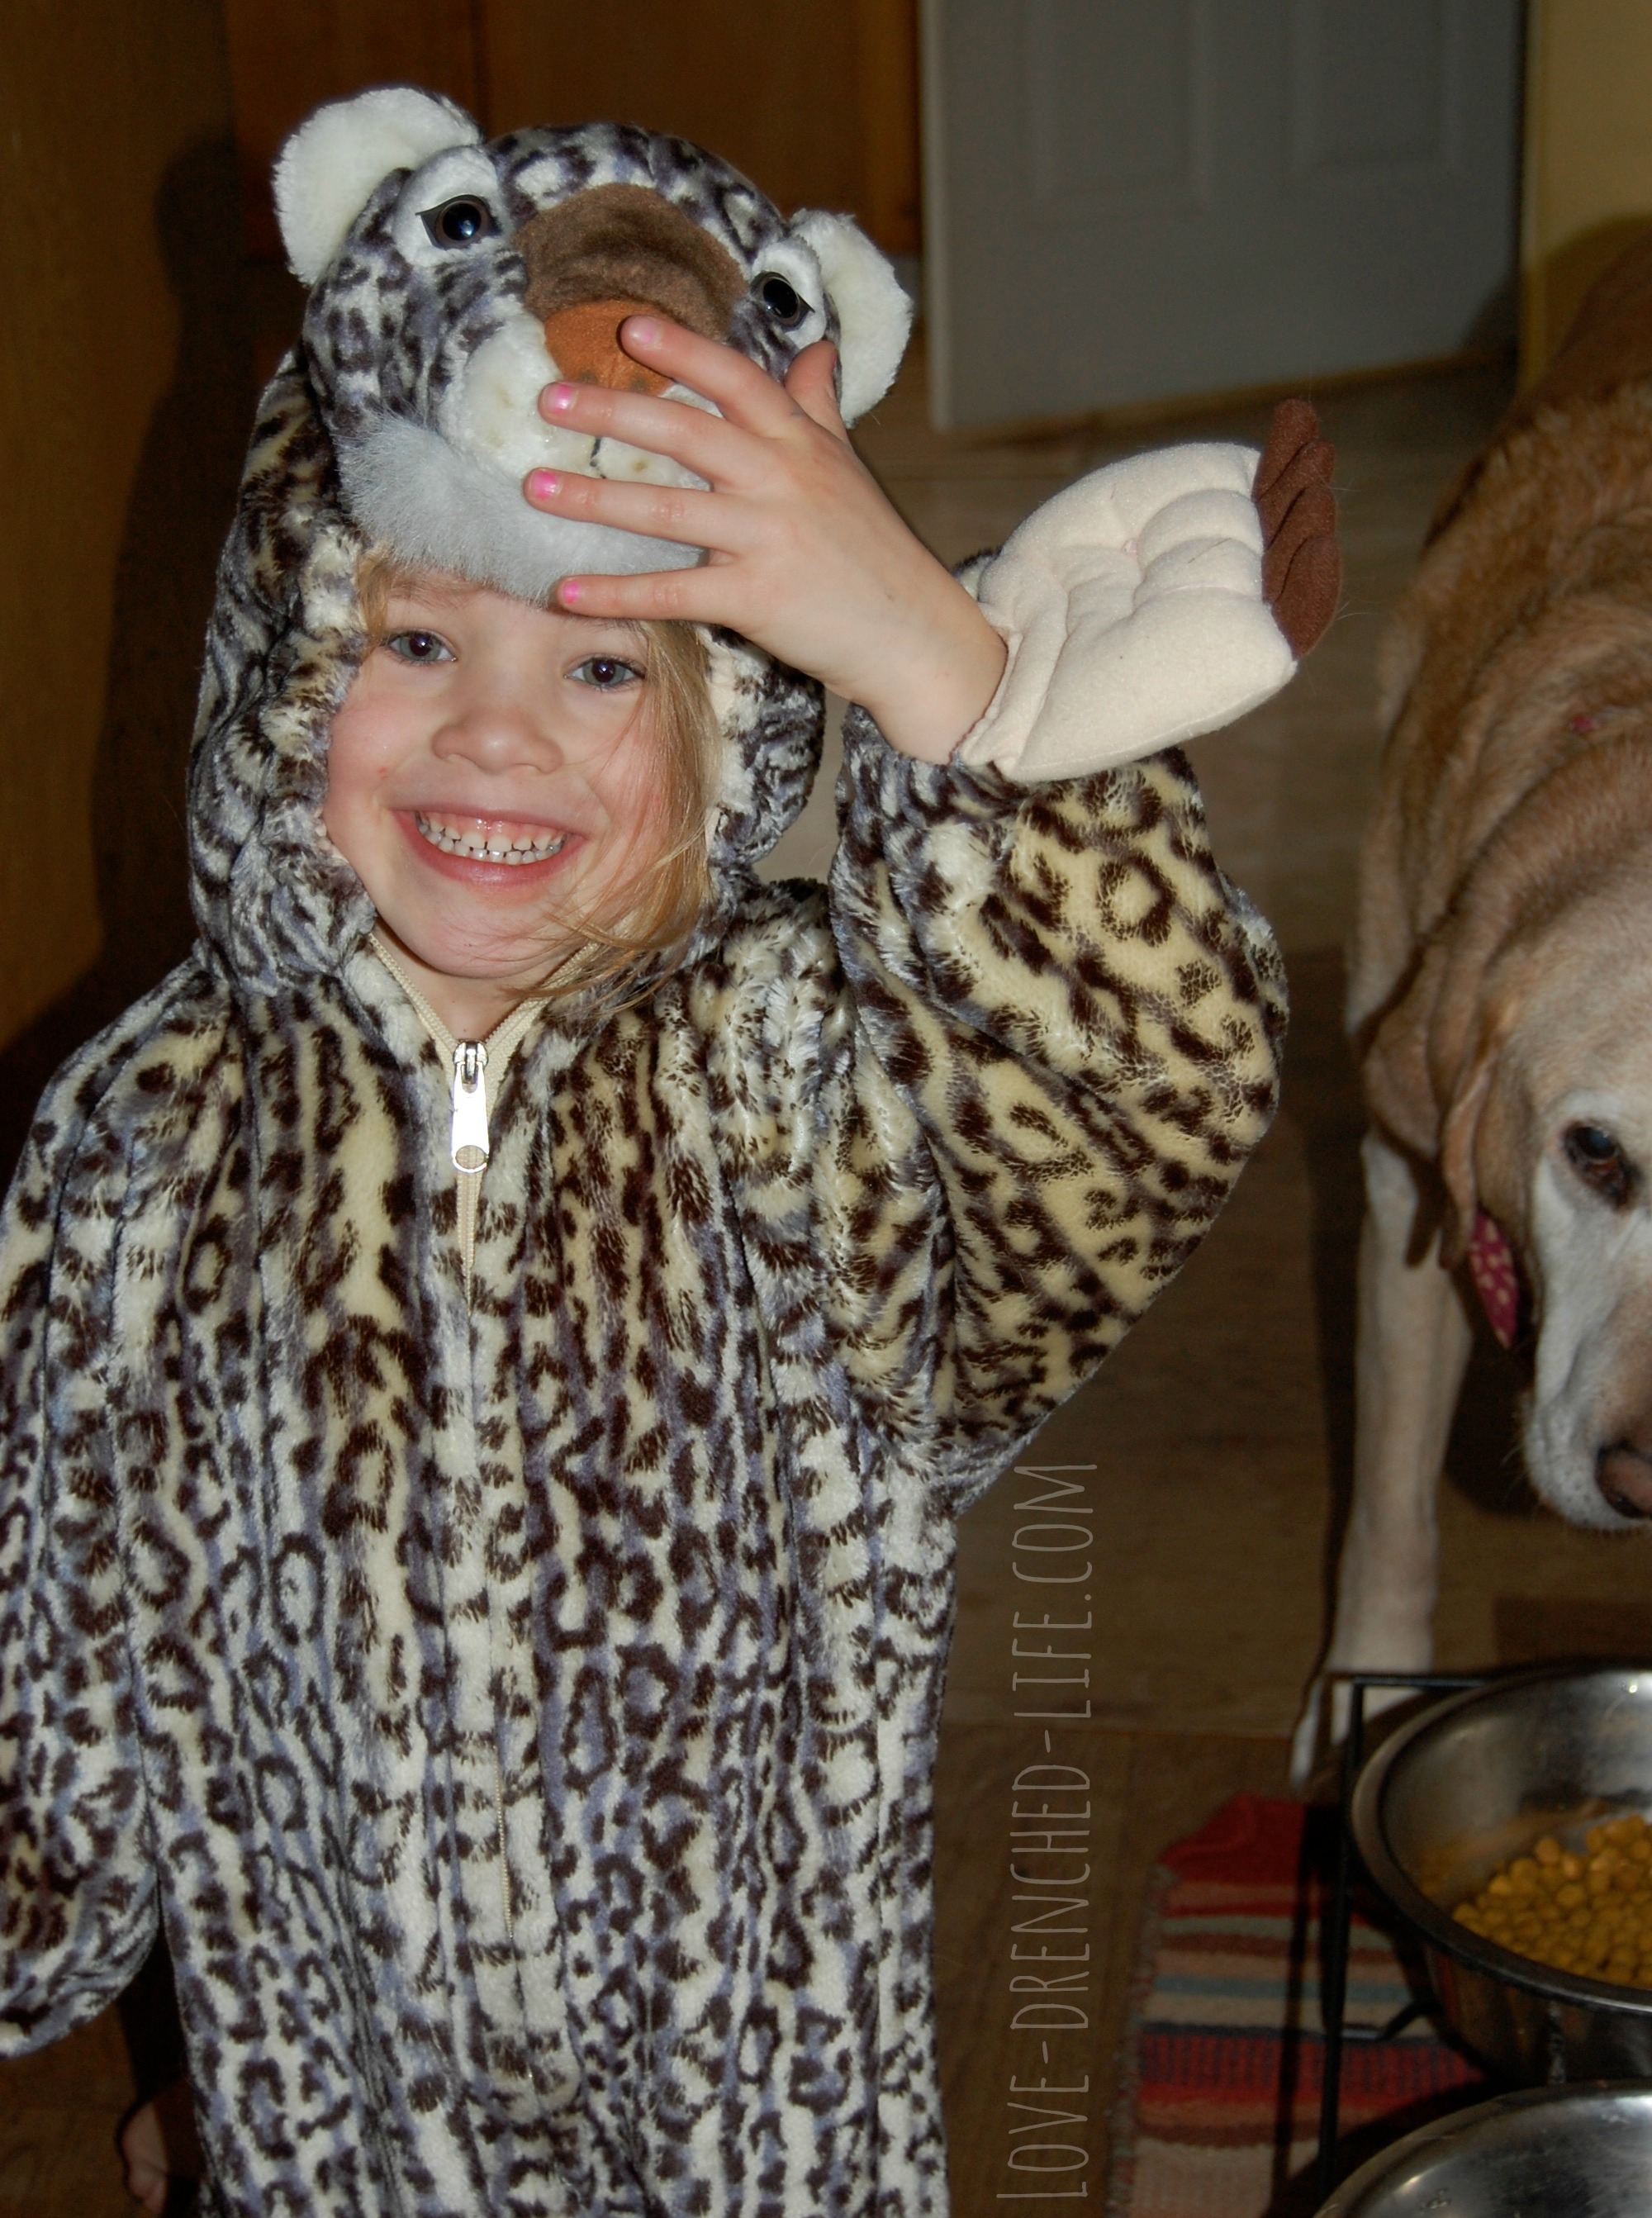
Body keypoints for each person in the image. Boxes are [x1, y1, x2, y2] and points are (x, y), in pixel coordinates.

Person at [0, 129, 1334, 2218]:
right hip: (340, 2115)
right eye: (416, 643)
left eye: (607, 664)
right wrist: (46, 1926)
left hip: (760, 2118)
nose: (499, 733)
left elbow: (1147, 1085)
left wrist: (938, 669)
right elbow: (68, 1617)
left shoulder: (802, 1085)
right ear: (286, 653)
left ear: (730, 724)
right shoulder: (142, 1141)